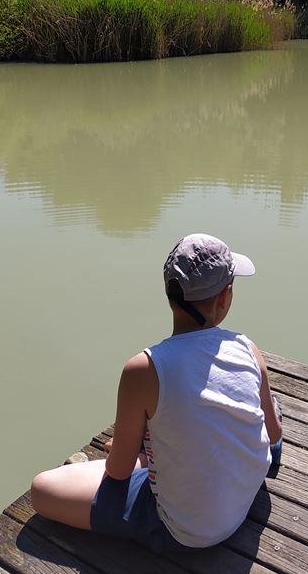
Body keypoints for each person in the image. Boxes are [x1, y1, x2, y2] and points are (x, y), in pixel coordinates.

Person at [30, 233, 282, 553]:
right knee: (267, 406)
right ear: (224, 297)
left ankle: (153, 452)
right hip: (245, 496)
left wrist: (133, 450)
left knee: (42, 489)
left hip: (187, 532)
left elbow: (118, 472)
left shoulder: (144, 369)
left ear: (169, 295)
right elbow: (273, 434)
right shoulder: (248, 348)